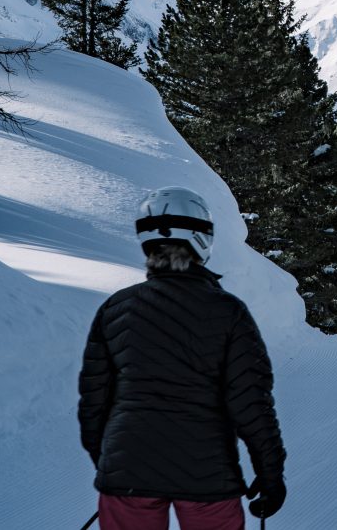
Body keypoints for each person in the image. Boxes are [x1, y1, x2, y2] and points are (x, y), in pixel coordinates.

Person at [79, 186, 287, 530]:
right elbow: (251, 403)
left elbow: (94, 404)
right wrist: (270, 474)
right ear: (202, 240)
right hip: (207, 476)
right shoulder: (228, 312)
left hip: (127, 472)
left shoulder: (116, 309)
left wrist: (112, 463)